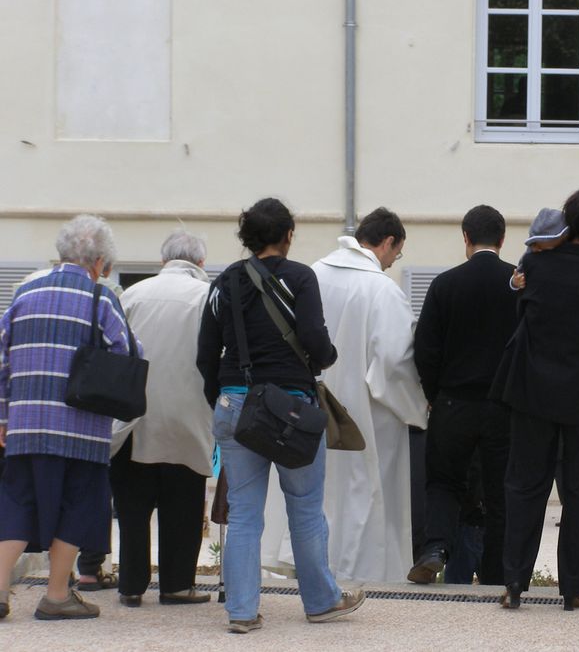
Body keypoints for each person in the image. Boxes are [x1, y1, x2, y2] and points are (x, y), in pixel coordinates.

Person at [197, 198, 362, 633]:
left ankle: (242, 611)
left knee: (245, 513)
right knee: (305, 508)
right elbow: (314, 338)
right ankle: (322, 602)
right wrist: (325, 357)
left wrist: (225, 397)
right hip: (291, 407)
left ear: (247, 238)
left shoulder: (224, 282)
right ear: (288, 235)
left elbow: (205, 354)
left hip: (235, 403)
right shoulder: (301, 277)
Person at [493, 185, 579, 612]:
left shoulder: (534, 262)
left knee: (524, 487)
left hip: (530, 391)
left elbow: (521, 321)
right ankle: (574, 589)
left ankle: (514, 581)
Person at [278, 207, 428, 583]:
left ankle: (313, 570)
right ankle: (361, 577)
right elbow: (394, 359)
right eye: (397, 254)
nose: (394, 262)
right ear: (388, 241)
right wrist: (415, 407)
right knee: (366, 496)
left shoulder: (311, 274)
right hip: (368, 414)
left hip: (309, 408)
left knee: (318, 491)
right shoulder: (381, 289)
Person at [0, 215, 132, 621]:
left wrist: (4, 416)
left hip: (25, 425)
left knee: (16, 502)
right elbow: (125, 355)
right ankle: (57, 596)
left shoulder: (23, 293)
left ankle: (0, 591)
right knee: (78, 503)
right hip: (81, 427)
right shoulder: (101, 299)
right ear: (100, 263)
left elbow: (2, 359)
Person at [407, 205, 518, 585]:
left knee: (443, 481)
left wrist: (436, 392)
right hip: (503, 405)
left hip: (454, 401)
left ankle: (435, 548)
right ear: (503, 240)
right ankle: (495, 572)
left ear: (465, 238)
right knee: (500, 488)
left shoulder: (445, 284)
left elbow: (425, 348)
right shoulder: (519, 284)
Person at [111, 229, 214, 608]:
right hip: (188, 417)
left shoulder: (133, 294)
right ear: (200, 263)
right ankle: (176, 585)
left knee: (133, 511)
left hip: (136, 418)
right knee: (183, 508)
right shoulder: (207, 297)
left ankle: (131, 586)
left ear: (162, 260)